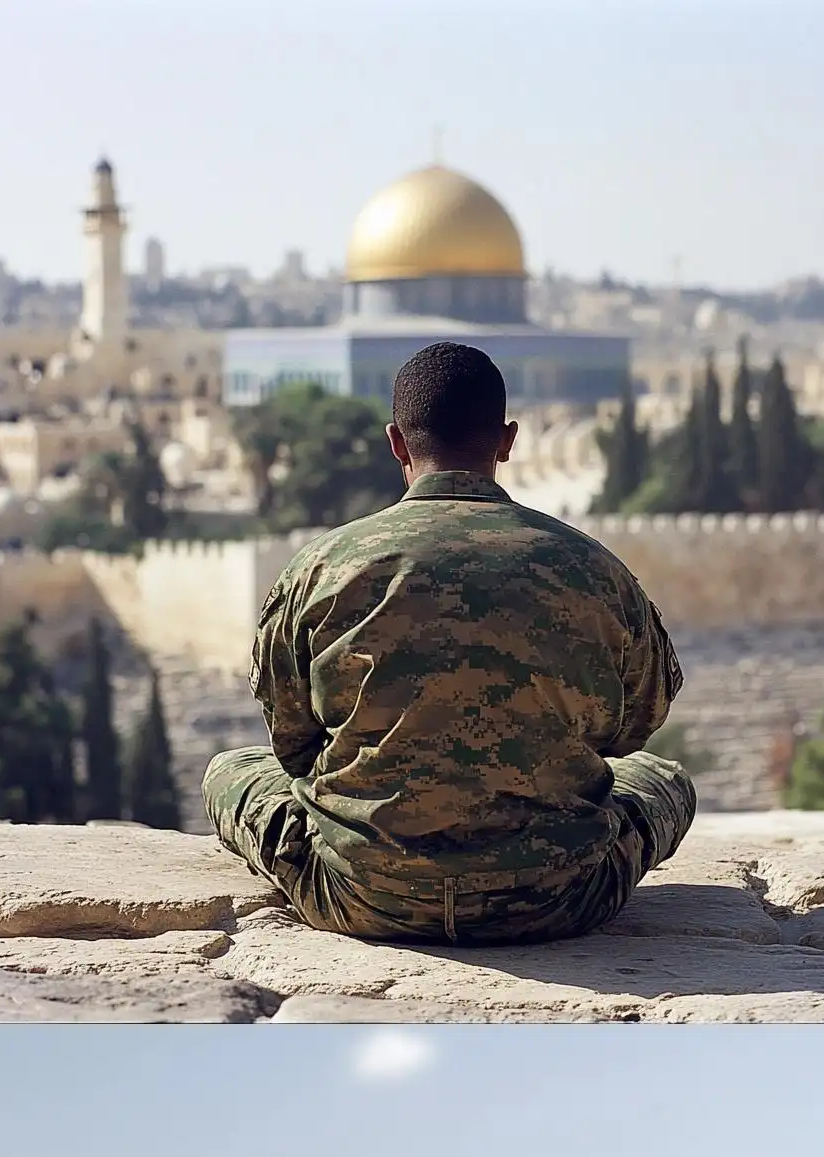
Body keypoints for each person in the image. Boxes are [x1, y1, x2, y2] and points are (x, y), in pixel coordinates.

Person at [203, 342, 697, 945]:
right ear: (508, 440)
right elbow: (632, 730)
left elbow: (292, 742)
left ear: (396, 443)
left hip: (363, 895)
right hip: (556, 897)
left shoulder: (323, 566)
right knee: (662, 778)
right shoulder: (593, 568)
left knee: (231, 770)